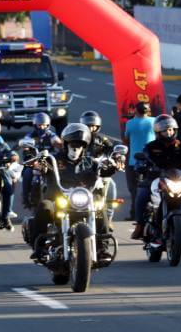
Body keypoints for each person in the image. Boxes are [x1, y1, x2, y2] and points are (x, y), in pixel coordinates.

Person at [29, 123, 117, 259]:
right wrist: (40, 165)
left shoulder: (91, 162)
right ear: (65, 144)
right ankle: (39, 248)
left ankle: (102, 248)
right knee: (45, 206)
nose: (76, 148)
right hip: (59, 199)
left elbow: (104, 170)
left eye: (79, 144)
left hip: (85, 200)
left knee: (100, 205)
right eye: (72, 144)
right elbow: (44, 167)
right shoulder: (53, 159)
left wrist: (111, 167)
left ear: (85, 146)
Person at [131, 114, 181, 240]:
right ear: (158, 132)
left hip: (178, 179)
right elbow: (141, 160)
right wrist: (140, 166)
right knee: (141, 194)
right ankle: (140, 225)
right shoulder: (150, 147)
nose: (169, 133)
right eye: (165, 130)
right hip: (155, 178)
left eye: (171, 130)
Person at [80, 110, 117, 224]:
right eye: (88, 126)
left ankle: (108, 217)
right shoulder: (77, 138)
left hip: (98, 171)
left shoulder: (102, 139)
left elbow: (111, 149)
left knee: (111, 185)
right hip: (80, 170)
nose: (91, 129)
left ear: (98, 127)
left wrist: (116, 156)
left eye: (94, 126)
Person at [21, 112, 61, 208]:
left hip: (49, 162)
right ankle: (26, 198)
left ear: (48, 125)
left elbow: (59, 143)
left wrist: (59, 144)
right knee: (27, 173)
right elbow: (25, 147)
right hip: (34, 161)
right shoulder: (30, 136)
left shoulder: (51, 135)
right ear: (35, 125)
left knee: (58, 174)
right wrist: (26, 149)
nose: (42, 127)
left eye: (44, 125)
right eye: (39, 125)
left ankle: (60, 197)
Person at [123, 102, 155, 220]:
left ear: (136, 110)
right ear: (148, 111)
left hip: (134, 162)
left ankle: (135, 214)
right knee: (152, 187)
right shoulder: (154, 121)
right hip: (152, 161)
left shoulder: (130, 123)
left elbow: (126, 139)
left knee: (135, 189)